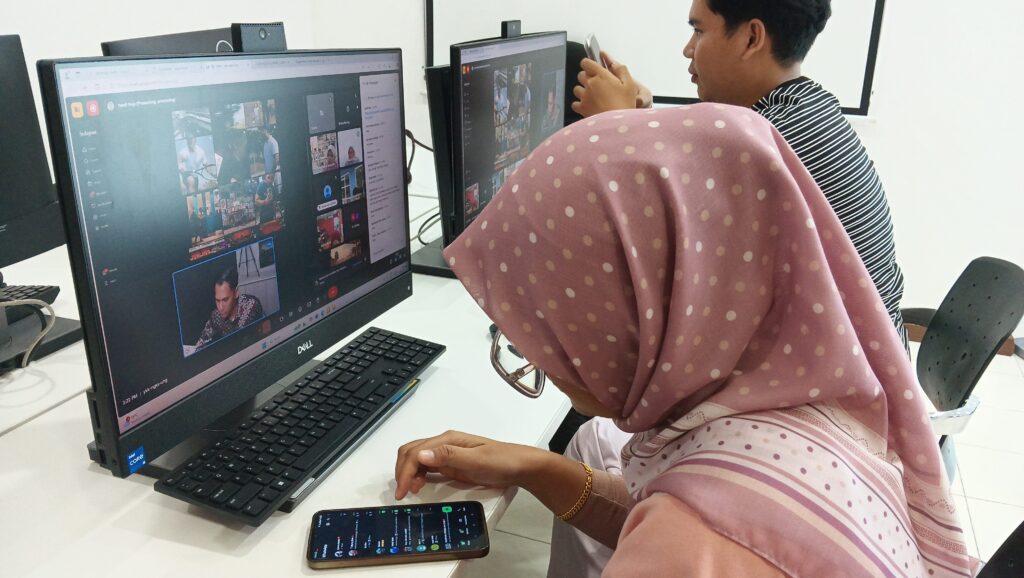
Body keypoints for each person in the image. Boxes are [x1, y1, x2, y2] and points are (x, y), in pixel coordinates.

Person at [392, 105, 974, 577]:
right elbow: (658, 516)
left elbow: (685, 538)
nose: (538, 351)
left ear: (622, 319)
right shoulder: (794, 408)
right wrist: (534, 468)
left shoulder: (700, 541)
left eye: (543, 325)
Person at [573, 0, 907, 349]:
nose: (688, 49)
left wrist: (614, 126)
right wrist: (636, 121)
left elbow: (649, 236)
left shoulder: (765, 142)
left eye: (698, 31)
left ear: (751, 38)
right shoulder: (806, 107)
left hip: (841, 371)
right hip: (865, 353)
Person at [194, 266, 263, 350]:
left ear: (236, 292)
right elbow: (202, 340)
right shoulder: (216, 315)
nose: (220, 307)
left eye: (225, 300)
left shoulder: (250, 305)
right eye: (217, 300)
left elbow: (239, 340)